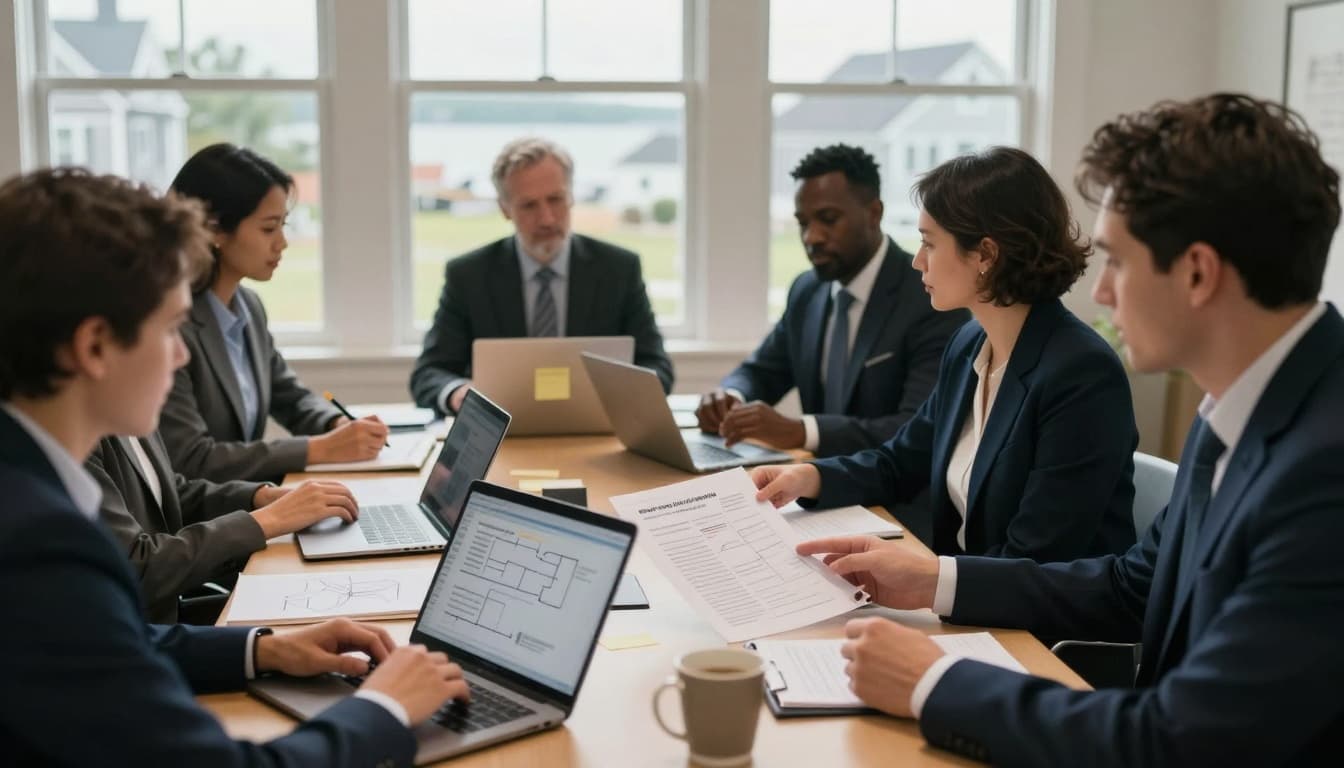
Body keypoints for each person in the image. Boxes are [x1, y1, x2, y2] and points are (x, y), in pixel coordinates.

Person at [795, 93, 1344, 765]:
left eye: (1117, 261)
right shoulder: (1235, 411)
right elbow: (1125, 589)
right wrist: (933, 579)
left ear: (1197, 273)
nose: (1103, 292)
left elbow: (1185, 738)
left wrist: (932, 681)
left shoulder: (1324, 471)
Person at [0, 167, 468, 765]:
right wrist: (384, 708)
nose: (183, 353)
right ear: (94, 347)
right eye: (170, 328)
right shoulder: (37, 543)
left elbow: (112, 640)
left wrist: (264, 649)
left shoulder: (30, 477)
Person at [754, 146, 1137, 561]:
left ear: (986, 255)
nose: (918, 262)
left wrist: (928, 582)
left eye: (929, 244)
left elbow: (1039, 556)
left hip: (1043, 620)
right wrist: (806, 477)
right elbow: (900, 462)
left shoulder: (1080, 372)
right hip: (975, 597)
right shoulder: (969, 343)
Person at [697, 144, 969, 458]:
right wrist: (731, 395)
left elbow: (915, 428)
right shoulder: (806, 290)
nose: (811, 237)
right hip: (816, 482)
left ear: (874, 213)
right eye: (802, 222)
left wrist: (802, 431)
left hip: (893, 496)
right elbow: (762, 370)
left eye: (828, 219)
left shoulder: (929, 295)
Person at [159, 143, 390, 483]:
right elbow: (191, 459)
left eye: (283, 225)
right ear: (214, 230)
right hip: (207, 522)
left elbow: (288, 395)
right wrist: (320, 449)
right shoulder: (169, 327)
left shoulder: (248, 306)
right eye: (269, 228)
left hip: (248, 504)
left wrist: (335, 424)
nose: (282, 242)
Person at [410, 137, 674, 416]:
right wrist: (458, 393)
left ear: (571, 196)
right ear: (504, 208)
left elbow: (658, 367)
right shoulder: (469, 275)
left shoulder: (618, 269)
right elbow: (429, 373)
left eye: (555, 199)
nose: (547, 218)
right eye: (529, 205)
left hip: (595, 435)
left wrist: (625, 392)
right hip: (503, 440)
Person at [87, 431, 361, 623]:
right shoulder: (76, 442)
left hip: (168, 616)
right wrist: (267, 521)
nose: (182, 356)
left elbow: (170, 494)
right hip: (144, 637)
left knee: (336, 615)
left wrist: (257, 497)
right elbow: (138, 568)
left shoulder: (132, 407)